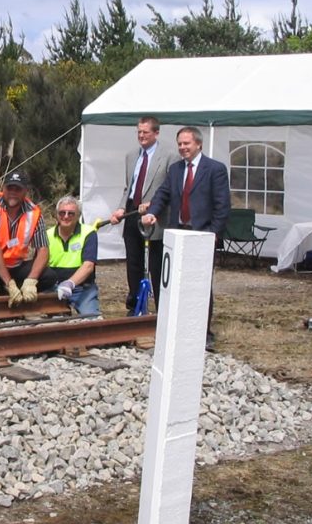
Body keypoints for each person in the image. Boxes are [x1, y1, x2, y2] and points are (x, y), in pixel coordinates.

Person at [141, 126, 231, 351]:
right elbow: (163, 194)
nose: (182, 148)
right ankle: (175, 328)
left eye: (187, 144)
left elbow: (222, 206)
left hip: (202, 235)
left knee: (200, 285)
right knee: (175, 283)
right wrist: (152, 212)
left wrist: (212, 233)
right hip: (177, 233)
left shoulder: (215, 169)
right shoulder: (175, 170)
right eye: (180, 144)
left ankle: (203, 333)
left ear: (198, 144)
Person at [109, 116, 181, 312]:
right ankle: (135, 305)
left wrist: (153, 204)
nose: (141, 136)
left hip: (155, 217)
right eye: (139, 132)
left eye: (145, 132)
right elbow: (129, 188)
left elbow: (173, 190)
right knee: (134, 263)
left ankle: (160, 310)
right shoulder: (131, 155)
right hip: (132, 213)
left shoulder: (170, 156)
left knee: (155, 266)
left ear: (156, 133)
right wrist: (121, 208)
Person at [0, 171, 57, 308]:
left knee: (49, 275)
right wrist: (10, 284)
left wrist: (31, 280)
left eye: (18, 189)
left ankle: (6, 294)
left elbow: (43, 250)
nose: (13, 192)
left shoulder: (34, 212)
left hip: (16, 266)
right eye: (9, 188)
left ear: (25, 191)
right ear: (3, 188)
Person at [48, 196, 100, 316]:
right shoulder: (47, 235)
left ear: (78, 216)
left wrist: (70, 283)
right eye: (62, 213)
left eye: (71, 213)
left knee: (91, 321)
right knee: (53, 325)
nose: (66, 216)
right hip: (54, 289)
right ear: (56, 215)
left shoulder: (89, 233)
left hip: (83, 288)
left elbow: (88, 266)